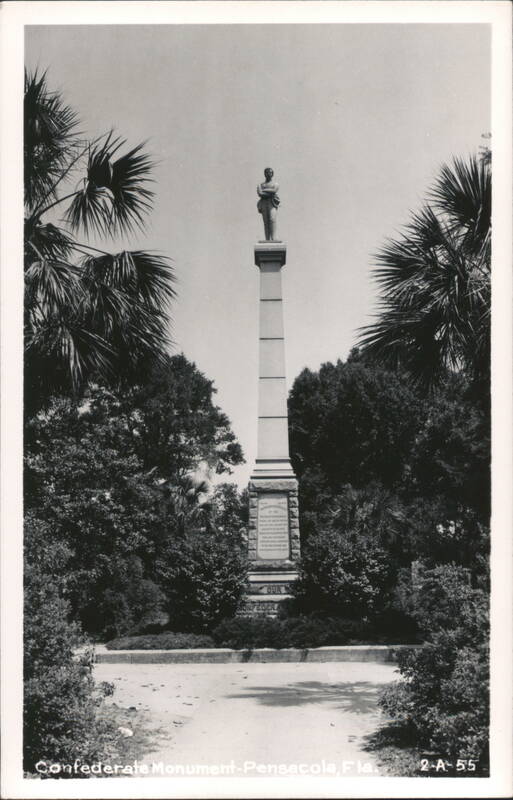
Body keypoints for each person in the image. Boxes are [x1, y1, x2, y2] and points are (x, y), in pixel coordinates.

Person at [257, 167, 280, 241]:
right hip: (263, 203)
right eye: (266, 172)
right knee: (266, 221)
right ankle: (267, 239)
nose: (268, 174)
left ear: (272, 174)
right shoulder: (260, 185)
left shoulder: (275, 184)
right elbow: (260, 193)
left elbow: (274, 190)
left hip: (272, 203)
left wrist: (264, 190)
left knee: (272, 219)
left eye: (270, 172)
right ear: (264, 174)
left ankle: (273, 238)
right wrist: (270, 193)